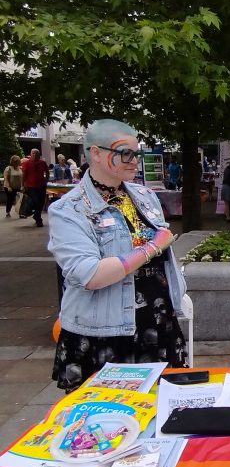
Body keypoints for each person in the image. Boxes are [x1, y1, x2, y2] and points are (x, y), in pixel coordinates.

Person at [48, 119, 187, 392]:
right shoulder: (69, 209)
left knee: (161, 412)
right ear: (95, 153)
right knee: (105, 420)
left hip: (156, 322)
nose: (134, 161)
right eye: (125, 153)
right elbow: (89, 274)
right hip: (105, 332)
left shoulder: (145, 196)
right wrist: (151, 247)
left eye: (137, 153)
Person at [21, 148, 49, 227]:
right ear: (30, 154)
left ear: (39, 155)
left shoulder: (42, 163)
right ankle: (38, 219)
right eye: (33, 153)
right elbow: (24, 175)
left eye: (36, 153)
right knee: (36, 201)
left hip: (41, 186)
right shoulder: (27, 163)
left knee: (41, 202)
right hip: (31, 187)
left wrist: (46, 181)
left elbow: (47, 172)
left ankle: (36, 215)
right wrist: (23, 185)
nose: (35, 155)